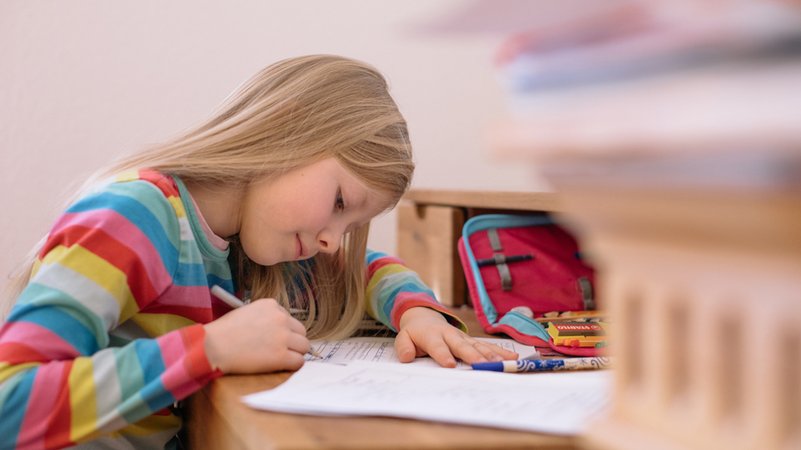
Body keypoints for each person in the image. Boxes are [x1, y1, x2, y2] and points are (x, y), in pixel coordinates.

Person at [0, 54, 517, 449]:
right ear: (287, 128)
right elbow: (10, 405)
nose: (332, 241)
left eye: (353, 224)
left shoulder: (247, 249)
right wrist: (210, 350)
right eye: (340, 202)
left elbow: (366, 269)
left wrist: (420, 312)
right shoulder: (135, 217)